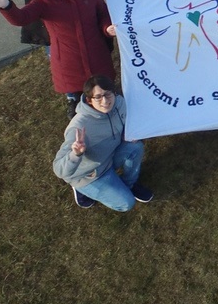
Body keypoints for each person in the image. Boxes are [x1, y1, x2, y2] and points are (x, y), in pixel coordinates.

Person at [53, 75, 152, 210]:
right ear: (89, 100)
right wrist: (75, 154)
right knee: (126, 204)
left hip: (109, 157)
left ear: (114, 93)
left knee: (135, 147)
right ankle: (79, 188)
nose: (105, 101)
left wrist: (126, 134)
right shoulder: (79, 127)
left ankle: (129, 184)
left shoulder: (119, 103)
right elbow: (59, 170)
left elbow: (127, 120)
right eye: (98, 97)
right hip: (89, 174)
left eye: (107, 94)